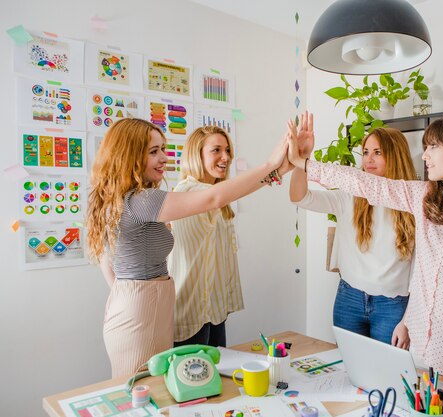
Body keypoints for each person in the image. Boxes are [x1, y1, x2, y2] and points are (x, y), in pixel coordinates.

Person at [287, 115, 443, 393]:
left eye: (433, 146)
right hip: (421, 355)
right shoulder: (423, 198)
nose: (424, 154)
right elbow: (366, 184)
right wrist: (304, 163)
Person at [87, 118, 291, 377]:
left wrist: (127, 293)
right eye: (153, 152)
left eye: (163, 149)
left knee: (155, 390)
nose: (164, 158)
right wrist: (271, 164)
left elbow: (107, 261)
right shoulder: (142, 200)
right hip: (142, 312)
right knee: (140, 392)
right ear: (130, 155)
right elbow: (214, 196)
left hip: (141, 306)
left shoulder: (123, 198)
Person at [289, 112, 416, 347]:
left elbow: (422, 272)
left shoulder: (413, 203)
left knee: (386, 374)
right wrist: (303, 160)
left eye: (378, 153)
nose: (369, 159)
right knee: (348, 369)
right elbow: (300, 197)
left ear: (396, 157)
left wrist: (408, 320)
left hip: (393, 304)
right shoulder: (350, 197)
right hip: (350, 298)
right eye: (366, 152)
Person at [168, 126, 242, 348]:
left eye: (227, 150)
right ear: (196, 154)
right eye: (216, 150)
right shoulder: (188, 192)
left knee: (217, 377)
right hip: (192, 311)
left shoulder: (217, 197)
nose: (225, 157)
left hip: (213, 308)